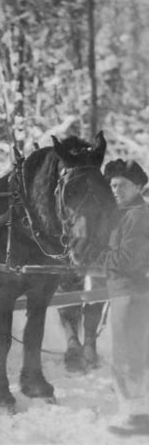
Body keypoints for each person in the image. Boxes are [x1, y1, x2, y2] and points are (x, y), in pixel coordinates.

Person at [94, 159, 149, 436]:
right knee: (126, 354)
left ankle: (139, 417)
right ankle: (133, 408)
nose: (116, 189)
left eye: (123, 185)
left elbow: (128, 258)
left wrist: (96, 258)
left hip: (133, 293)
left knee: (130, 355)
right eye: (113, 185)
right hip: (123, 291)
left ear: (138, 186)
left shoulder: (138, 215)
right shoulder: (125, 213)